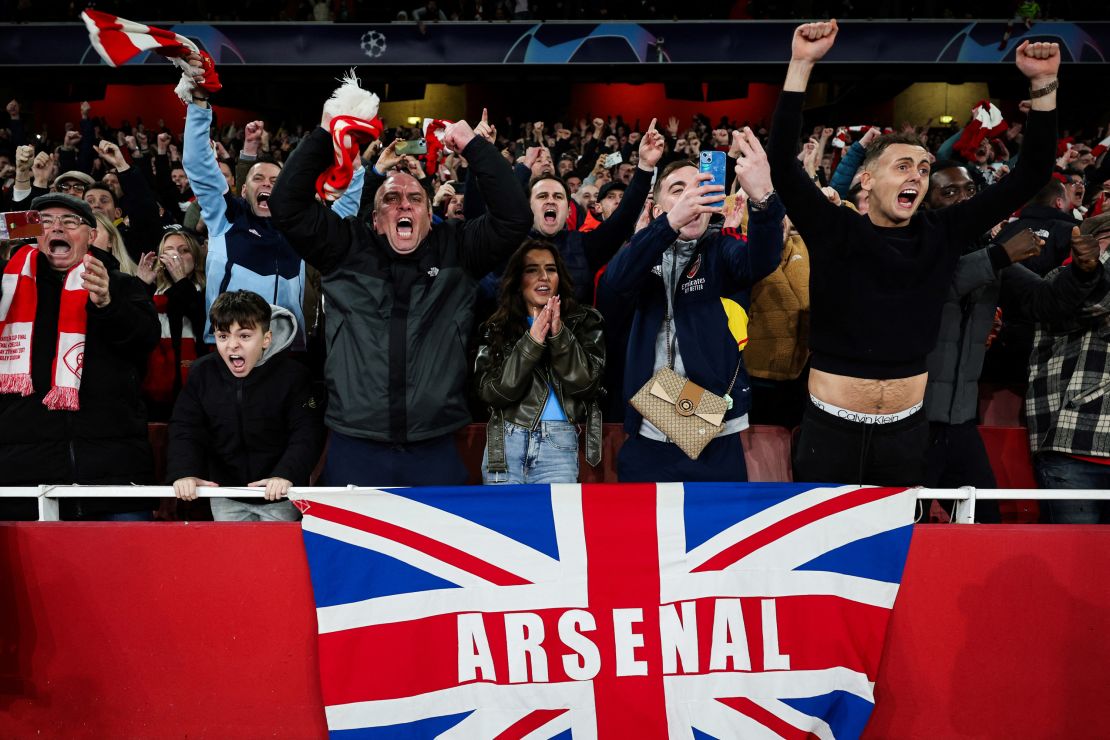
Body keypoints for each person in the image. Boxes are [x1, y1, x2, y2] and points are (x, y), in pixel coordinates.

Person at [768, 20, 1059, 487]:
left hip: (906, 436)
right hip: (830, 435)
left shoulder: (943, 233)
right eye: (902, 166)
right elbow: (782, 164)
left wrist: (1043, 86)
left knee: (896, 556)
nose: (916, 176)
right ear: (866, 180)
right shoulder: (833, 228)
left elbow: (1032, 173)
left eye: (923, 169)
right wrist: (802, 63)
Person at [268, 108, 532, 487]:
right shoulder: (345, 248)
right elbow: (287, 207)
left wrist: (473, 147)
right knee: (350, 547)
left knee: (440, 548)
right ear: (375, 220)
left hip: (436, 446)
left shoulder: (457, 249)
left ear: (429, 214)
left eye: (415, 198)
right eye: (391, 199)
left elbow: (513, 218)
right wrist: (326, 135)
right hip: (354, 445)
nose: (404, 204)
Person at [597, 129, 785, 483]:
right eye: (679, 191)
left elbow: (760, 261)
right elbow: (614, 286)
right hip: (647, 432)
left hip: (714, 435)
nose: (692, 197)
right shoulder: (643, 251)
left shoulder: (720, 249)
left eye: (700, 188)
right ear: (657, 208)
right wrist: (664, 227)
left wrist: (764, 200)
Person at [922, 163, 1104, 520]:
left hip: (960, 423)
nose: (963, 199)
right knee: (900, 529)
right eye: (949, 192)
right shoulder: (915, 246)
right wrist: (999, 255)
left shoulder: (989, 251)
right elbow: (935, 288)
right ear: (927, 205)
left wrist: (1083, 273)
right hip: (910, 425)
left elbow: (1044, 301)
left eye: (970, 191)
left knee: (987, 521)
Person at [0, 193, 159, 520]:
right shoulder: (8, 287)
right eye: (45, 222)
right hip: (26, 480)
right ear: (35, 234)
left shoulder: (122, 286)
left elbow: (144, 340)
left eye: (70, 222)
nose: (57, 228)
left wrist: (107, 304)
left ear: (91, 235)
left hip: (113, 477)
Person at [168, 290, 323, 521]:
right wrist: (184, 472)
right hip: (226, 495)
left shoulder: (294, 377)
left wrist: (285, 474)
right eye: (223, 336)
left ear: (266, 339)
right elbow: (185, 427)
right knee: (233, 557)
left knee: (275, 556)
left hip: (280, 496)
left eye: (244, 336)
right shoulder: (202, 373)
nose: (232, 346)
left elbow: (306, 432)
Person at [475, 240, 605, 483]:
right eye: (532, 269)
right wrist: (532, 342)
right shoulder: (496, 327)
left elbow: (586, 384)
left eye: (551, 269)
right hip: (505, 442)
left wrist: (559, 335)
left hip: (559, 443)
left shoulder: (583, 321)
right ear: (518, 280)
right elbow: (494, 393)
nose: (543, 276)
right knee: (502, 522)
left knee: (554, 521)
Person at [1026, 222, 1110, 523]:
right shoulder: (1060, 280)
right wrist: (1088, 270)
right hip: (1073, 447)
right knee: (1072, 566)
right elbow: (1092, 303)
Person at [137, 227, 208, 420]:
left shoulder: (207, 291)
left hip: (193, 390)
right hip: (153, 389)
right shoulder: (152, 292)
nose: (176, 256)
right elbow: (136, 332)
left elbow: (201, 321)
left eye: (184, 250)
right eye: (169, 251)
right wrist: (141, 286)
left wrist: (181, 281)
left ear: (195, 256)